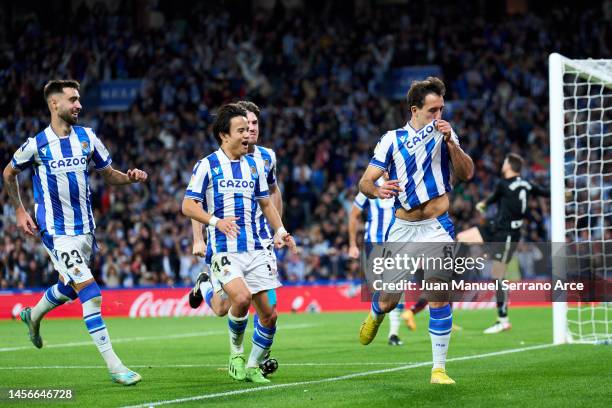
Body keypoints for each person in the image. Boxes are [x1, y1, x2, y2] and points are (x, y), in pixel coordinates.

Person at [3, 79, 148, 385]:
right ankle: (115, 366)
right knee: (91, 294)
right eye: (72, 99)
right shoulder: (36, 144)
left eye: (79, 99)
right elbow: (8, 172)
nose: (79, 105)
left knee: (69, 288)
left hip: (85, 231)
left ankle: (34, 315)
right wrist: (19, 210)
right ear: (54, 104)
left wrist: (130, 178)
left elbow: (109, 175)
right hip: (56, 231)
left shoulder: (87, 138)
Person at [358, 77, 474, 384]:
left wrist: (451, 142)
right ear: (415, 110)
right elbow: (365, 182)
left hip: (437, 226)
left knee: (439, 293)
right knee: (390, 299)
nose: (439, 116)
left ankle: (439, 368)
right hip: (403, 227)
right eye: (433, 110)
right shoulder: (391, 140)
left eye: (441, 109)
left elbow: (467, 173)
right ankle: (376, 313)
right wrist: (378, 190)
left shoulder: (445, 135)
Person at [182, 103, 297, 384]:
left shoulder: (258, 162)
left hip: (258, 248)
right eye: (242, 130)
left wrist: (280, 230)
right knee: (241, 299)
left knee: (269, 314)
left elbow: (267, 201)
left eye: (250, 128)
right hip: (223, 249)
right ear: (224, 135)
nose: (248, 134)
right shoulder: (207, 165)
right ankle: (236, 353)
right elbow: (188, 205)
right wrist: (213, 223)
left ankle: (254, 366)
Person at [456, 153, 549, 334]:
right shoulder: (526, 184)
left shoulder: (504, 184)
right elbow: (544, 191)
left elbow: (493, 198)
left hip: (507, 234)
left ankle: (503, 320)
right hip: (495, 228)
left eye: (505, 162)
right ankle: (457, 275)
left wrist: (483, 204)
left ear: (510, 166)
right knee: (461, 237)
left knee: (497, 276)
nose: (503, 164)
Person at [348, 175, 405, 346]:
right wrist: (352, 244)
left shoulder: (402, 185)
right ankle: (375, 318)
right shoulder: (369, 188)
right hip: (373, 244)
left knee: (396, 288)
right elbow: (354, 215)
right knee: (379, 290)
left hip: (397, 243)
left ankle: (394, 334)